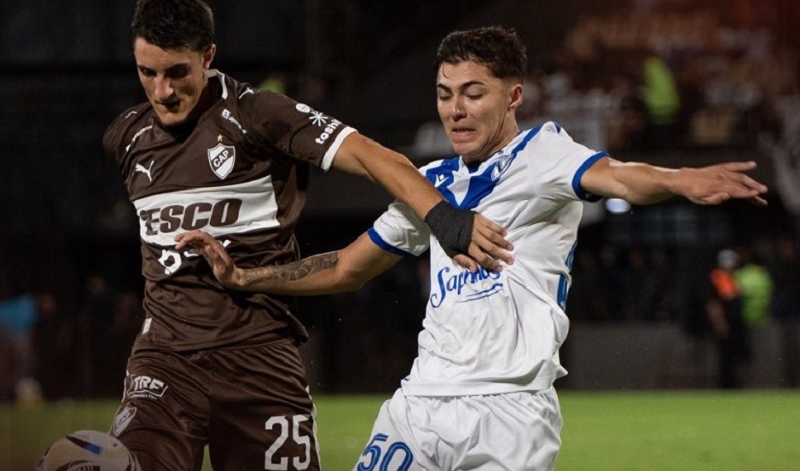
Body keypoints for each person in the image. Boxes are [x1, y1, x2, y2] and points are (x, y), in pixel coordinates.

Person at [177, 26, 768, 470]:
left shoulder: (546, 153)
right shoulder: (430, 185)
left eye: (472, 93)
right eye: (444, 94)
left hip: (511, 414)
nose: (455, 109)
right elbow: (348, 267)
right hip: (420, 404)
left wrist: (681, 181)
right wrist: (248, 277)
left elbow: (619, 176)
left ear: (513, 96)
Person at [102, 0, 512, 470]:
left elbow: (370, 155)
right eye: (147, 72)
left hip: (259, 358)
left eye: (177, 72)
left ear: (208, 56)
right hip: (164, 360)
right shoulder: (125, 137)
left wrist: (444, 218)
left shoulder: (258, 115)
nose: (162, 90)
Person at [706, 248, 749, 388]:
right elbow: (713, 302)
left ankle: (733, 382)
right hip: (725, 323)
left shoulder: (733, 278)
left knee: (734, 355)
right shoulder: (716, 277)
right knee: (725, 356)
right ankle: (725, 384)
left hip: (735, 323)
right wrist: (720, 322)